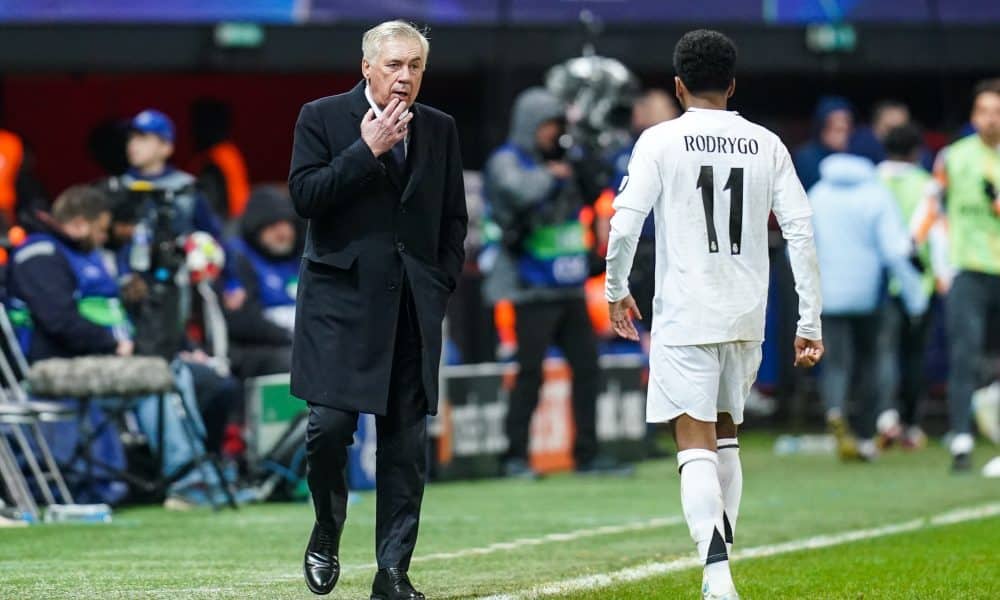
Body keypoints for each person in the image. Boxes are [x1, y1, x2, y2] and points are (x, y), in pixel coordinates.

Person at [605, 30, 823, 600]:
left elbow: (625, 221)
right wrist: (808, 322)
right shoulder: (767, 143)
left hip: (686, 309)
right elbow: (800, 230)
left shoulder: (660, 140)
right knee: (726, 431)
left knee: (693, 440)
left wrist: (615, 288)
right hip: (746, 311)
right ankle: (719, 565)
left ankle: (717, 575)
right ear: (732, 84)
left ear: (678, 86)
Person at [288, 20, 467, 598]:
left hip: (412, 305)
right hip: (339, 302)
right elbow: (306, 196)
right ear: (367, 66)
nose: (405, 77)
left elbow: (453, 218)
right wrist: (366, 152)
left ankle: (393, 573)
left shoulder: (439, 128)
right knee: (329, 430)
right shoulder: (320, 117)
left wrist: (439, 281)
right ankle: (326, 526)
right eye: (394, 65)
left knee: (405, 447)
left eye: (415, 66)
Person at [483, 86, 629, 478]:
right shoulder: (507, 161)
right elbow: (519, 192)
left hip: (569, 285)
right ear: (530, 125)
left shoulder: (565, 160)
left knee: (588, 368)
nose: (553, 135)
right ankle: (514, 456)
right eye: (548, 126)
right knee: (530, 373)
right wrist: (551, 175)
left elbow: (594, 187)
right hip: (530, 288)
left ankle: (588, 454)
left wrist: (581, 157)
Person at [810, 152, 928, 461]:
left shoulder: (818, 194)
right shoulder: (876, 193)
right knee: (876, 360)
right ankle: (868, 430)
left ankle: (835, 412)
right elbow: (894, 250)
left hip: (829, 293)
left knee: (836, 363)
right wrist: (915, 298)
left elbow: (803, 243)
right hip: (869, 294)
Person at [932, 78, 1000, 472]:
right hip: (968, 270)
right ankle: (961, 439)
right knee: (965, 355)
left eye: (997, 113)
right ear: (974, 116)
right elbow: (934, 212)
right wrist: (943, 268)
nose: (990, 120)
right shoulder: (953, 158)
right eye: (984, 112)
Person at [874, 123, 940, 449]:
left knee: (883, 352)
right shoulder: (928, 185)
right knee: (915, 355)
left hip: (881, 282)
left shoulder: (873, 182)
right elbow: (931, 233)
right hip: (918, 282)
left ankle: (886, 416)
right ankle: (912, 425)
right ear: (917, 151)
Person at [223, 186, 300, 378]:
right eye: (273, 226)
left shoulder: (302, 255)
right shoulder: (238, 257)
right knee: (298, 361)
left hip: (300, 339)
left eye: (286, 224)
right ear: (257, 228)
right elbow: (242, 321)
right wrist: (288, 335)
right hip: (258, 347)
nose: (282, 233)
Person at [189, 98, 252, 221]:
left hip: (229, 225)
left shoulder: (218, 157)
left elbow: (212, 205)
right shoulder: (226, 153)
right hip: (234, 221)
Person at [794, 96, 853, 190]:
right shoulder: (805, 159)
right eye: (838, 130)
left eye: (846, 131)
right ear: (822, 129)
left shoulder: (852, 157)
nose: (843, 137)